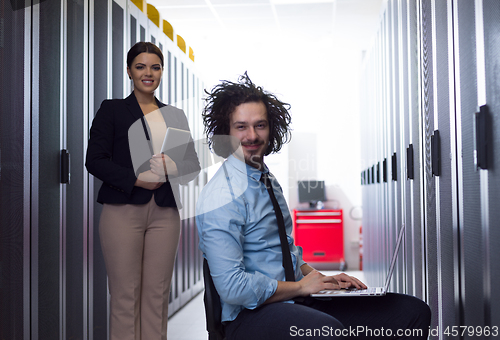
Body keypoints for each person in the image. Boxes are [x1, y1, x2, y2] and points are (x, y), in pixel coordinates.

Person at [195, 73, 431, 339]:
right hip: (249, 316)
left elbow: (285, 255)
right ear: (225, 132)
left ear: (271, 127)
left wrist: (322, 279)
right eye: (241, 127)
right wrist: (300, 288)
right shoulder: (221, 196)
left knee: (411, 312)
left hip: (294, 298)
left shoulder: (266, 179)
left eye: (260, 125)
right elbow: (232, 288)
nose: (252, 135)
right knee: (326, 331)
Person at [86, 41, 200, 340]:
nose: (148, 73)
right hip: (122, 211)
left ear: (162, 72)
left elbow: (191, 165)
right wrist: (137, 179)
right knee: (126, 296)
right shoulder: (112, 110)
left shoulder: (174, 115)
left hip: (165, 213)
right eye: (140, 67)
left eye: (155, 67)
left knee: (157, 295)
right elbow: (94, 160)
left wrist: (172, 167)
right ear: (129, 71)